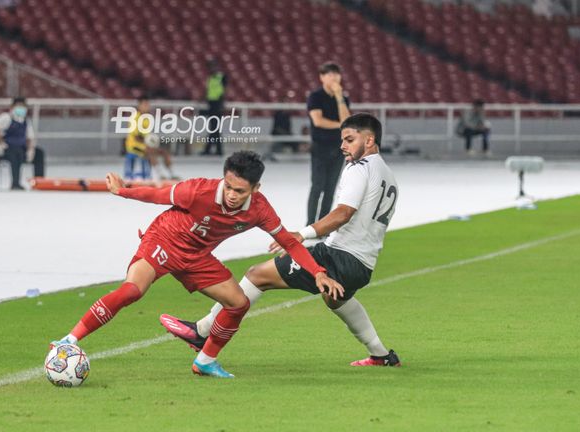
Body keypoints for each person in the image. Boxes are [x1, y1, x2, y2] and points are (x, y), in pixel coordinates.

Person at [50, 151, 344, 378]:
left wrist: (317, 272)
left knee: (238, 303)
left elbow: (290, 242)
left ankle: (205, 361)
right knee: (132, 291)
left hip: (197, 256)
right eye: (228, 186)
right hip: (163, 240)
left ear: (256, 188)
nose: (231, 194)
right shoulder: (198, 191)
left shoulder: (259, 209)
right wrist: (123, 191)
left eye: (239, 191)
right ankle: (68, 341)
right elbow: (157, 194)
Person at [161, 114, 401, 367]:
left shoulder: (359, 169)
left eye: (350, 140)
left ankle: (202, 331)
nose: (343, 146)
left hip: (340, 255)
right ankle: (382, 355)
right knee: (335, 299)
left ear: (370, 139)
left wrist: (303, 233)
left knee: (256, 276)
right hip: (363, 265)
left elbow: (343, 213)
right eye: (343, 140)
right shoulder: (387, 173)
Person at [306, 62, 351, 226]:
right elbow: (318, 121)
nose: (333, 77)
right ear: (322, 77)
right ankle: (310, 223)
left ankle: (323, 224)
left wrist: (339, 97)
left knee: (331, 188)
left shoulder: (344, 98)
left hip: (339, 148)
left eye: (336, 74)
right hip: (320, 147)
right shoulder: (315, 96)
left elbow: (347, 120)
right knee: (317, 187)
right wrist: (340, 125)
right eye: (329, 74)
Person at [0, 97, 45, 190]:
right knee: (15, 152)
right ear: (12, 107)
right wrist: (1, 143)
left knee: (39, 153)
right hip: (4, 149)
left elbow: (29, 138)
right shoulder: (6, 117)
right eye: (18, 106)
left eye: (23, 107)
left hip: (20, 148)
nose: (21, 109)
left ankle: (40, 182)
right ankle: (15, 183)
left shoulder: (26, 121)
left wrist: (31, 150)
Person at [124, 97, 178, 182]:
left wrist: (152, 142)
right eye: (144, 104)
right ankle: (160, 175)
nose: (147, 106)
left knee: (164, 151)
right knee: (150, 151)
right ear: (139, 106)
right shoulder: (135, 118)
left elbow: (147, 135)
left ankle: (171, 174)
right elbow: (136, 137)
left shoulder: (147, 118)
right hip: (133, 145)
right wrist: (148, 144)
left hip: (145, 144)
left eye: (147, 104)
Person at [201, 59, 227, 156]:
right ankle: (217, 150)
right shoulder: (210, 78)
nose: (211, 69)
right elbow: (209, 90)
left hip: (218, 104)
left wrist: (222, 104)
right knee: (214, 128)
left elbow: (225, 90)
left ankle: (212, 150)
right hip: (211, 104)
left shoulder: (222, 77)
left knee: (215, 128)